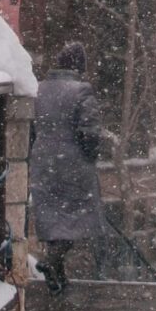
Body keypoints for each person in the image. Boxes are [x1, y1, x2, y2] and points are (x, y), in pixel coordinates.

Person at [30, 42, 106, 293]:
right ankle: (52, 262)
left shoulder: (38, 89)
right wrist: (90, 155)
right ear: (79, 67)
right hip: (73, 163)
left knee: (52, 218)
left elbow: (31, 127)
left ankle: (56, 274)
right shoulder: (81, 91)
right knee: (77, 218)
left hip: (42, 162)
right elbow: (90, 132)